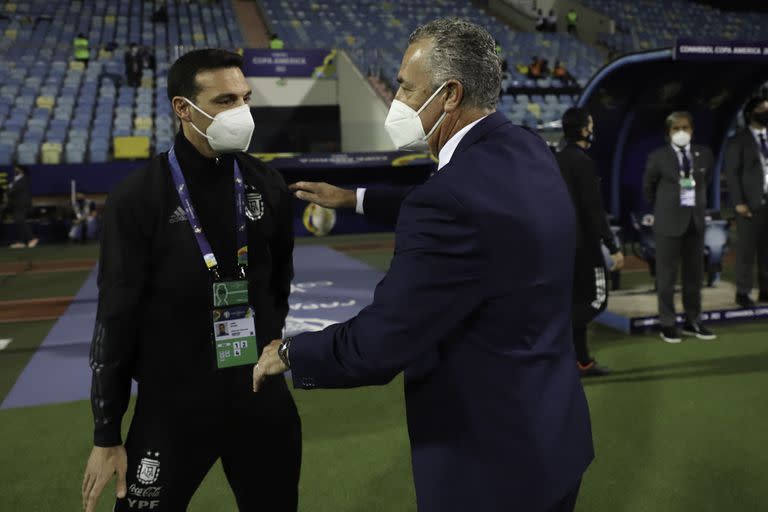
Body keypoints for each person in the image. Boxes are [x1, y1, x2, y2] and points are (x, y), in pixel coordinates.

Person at [254, 18, 592, 512]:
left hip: (489, 469)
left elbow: (380, 344)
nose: (397, 99)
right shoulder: (527, 149)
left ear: (450, 94)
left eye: (407, 87)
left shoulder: (448, 202)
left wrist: (289, 352)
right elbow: (467, 207)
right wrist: (357, 199)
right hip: (556, 439)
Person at [81, 49, 300, 512]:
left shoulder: (268, 184)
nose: (241, 112)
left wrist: (271, 341)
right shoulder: (138, 197)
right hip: (172, 406)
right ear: (184, 108)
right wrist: (107, 434)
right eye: (224, 100)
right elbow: (115, 317)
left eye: (244, 98)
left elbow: (279, 279)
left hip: (261, 395)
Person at [556, 108, 623, 377]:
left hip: (563, 245)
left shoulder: (558, 159)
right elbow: (593, 209)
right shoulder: (582, 162)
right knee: (596, 301)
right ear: (584, 130)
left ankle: (581, 361)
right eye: (591, 124)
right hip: (585, 247)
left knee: (576, 300)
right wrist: (614, 246)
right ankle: (559, 350)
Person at [643, 111, 716, 343]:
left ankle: (693, 321)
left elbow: (707, 181)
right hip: (668, 223)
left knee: (694, 276)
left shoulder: (704, 154)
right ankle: (667, 323)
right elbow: (648, 188)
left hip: (695, 221)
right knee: (666, 277)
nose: (681, 132)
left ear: (692, 130)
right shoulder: (658, 157)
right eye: (676, 129)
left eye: (685, 127)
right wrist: (665, 207)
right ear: (668, 133)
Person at [725, 97, 768, 308]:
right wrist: (738, 202)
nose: (766, 112)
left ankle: (765, 291)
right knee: (746, 251)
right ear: (751, 113)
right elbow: (732, 174)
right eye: (762, 109)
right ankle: (743, 292)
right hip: (750, 204)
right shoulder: (738, 140)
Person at [6, 165, 38, 249]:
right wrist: (10, 188)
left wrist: (10, 188)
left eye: (16, 168)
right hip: (16, 204)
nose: (15, 169)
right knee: (18, 222)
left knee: (21, 221)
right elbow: (11, 190)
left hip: (22, 204)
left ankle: (32, 238)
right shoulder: (15, 179)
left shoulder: (24, 179)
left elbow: (12, 191)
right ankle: (21, 242)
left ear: (21, 170)